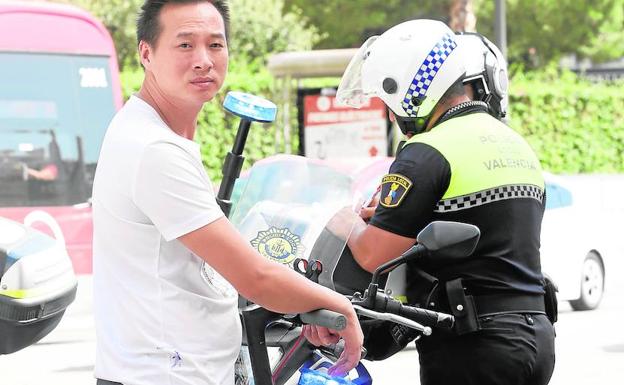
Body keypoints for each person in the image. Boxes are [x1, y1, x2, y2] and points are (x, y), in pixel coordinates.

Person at [91, 1, 362, 384]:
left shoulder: (151, 131)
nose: (203, 60)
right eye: (185, 45)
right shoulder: (153, 150)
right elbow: (256, 278)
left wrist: (304, 301)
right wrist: (339, 306)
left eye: (215, 45)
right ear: (146, 53)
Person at [312, 20, 556, 385]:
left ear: (409, 90)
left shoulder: (427, 150)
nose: (392, 114)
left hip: (472, 345)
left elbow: (374, 255)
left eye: (387, 101)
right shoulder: (514, 144)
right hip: (535, 336)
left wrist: (345, 220)